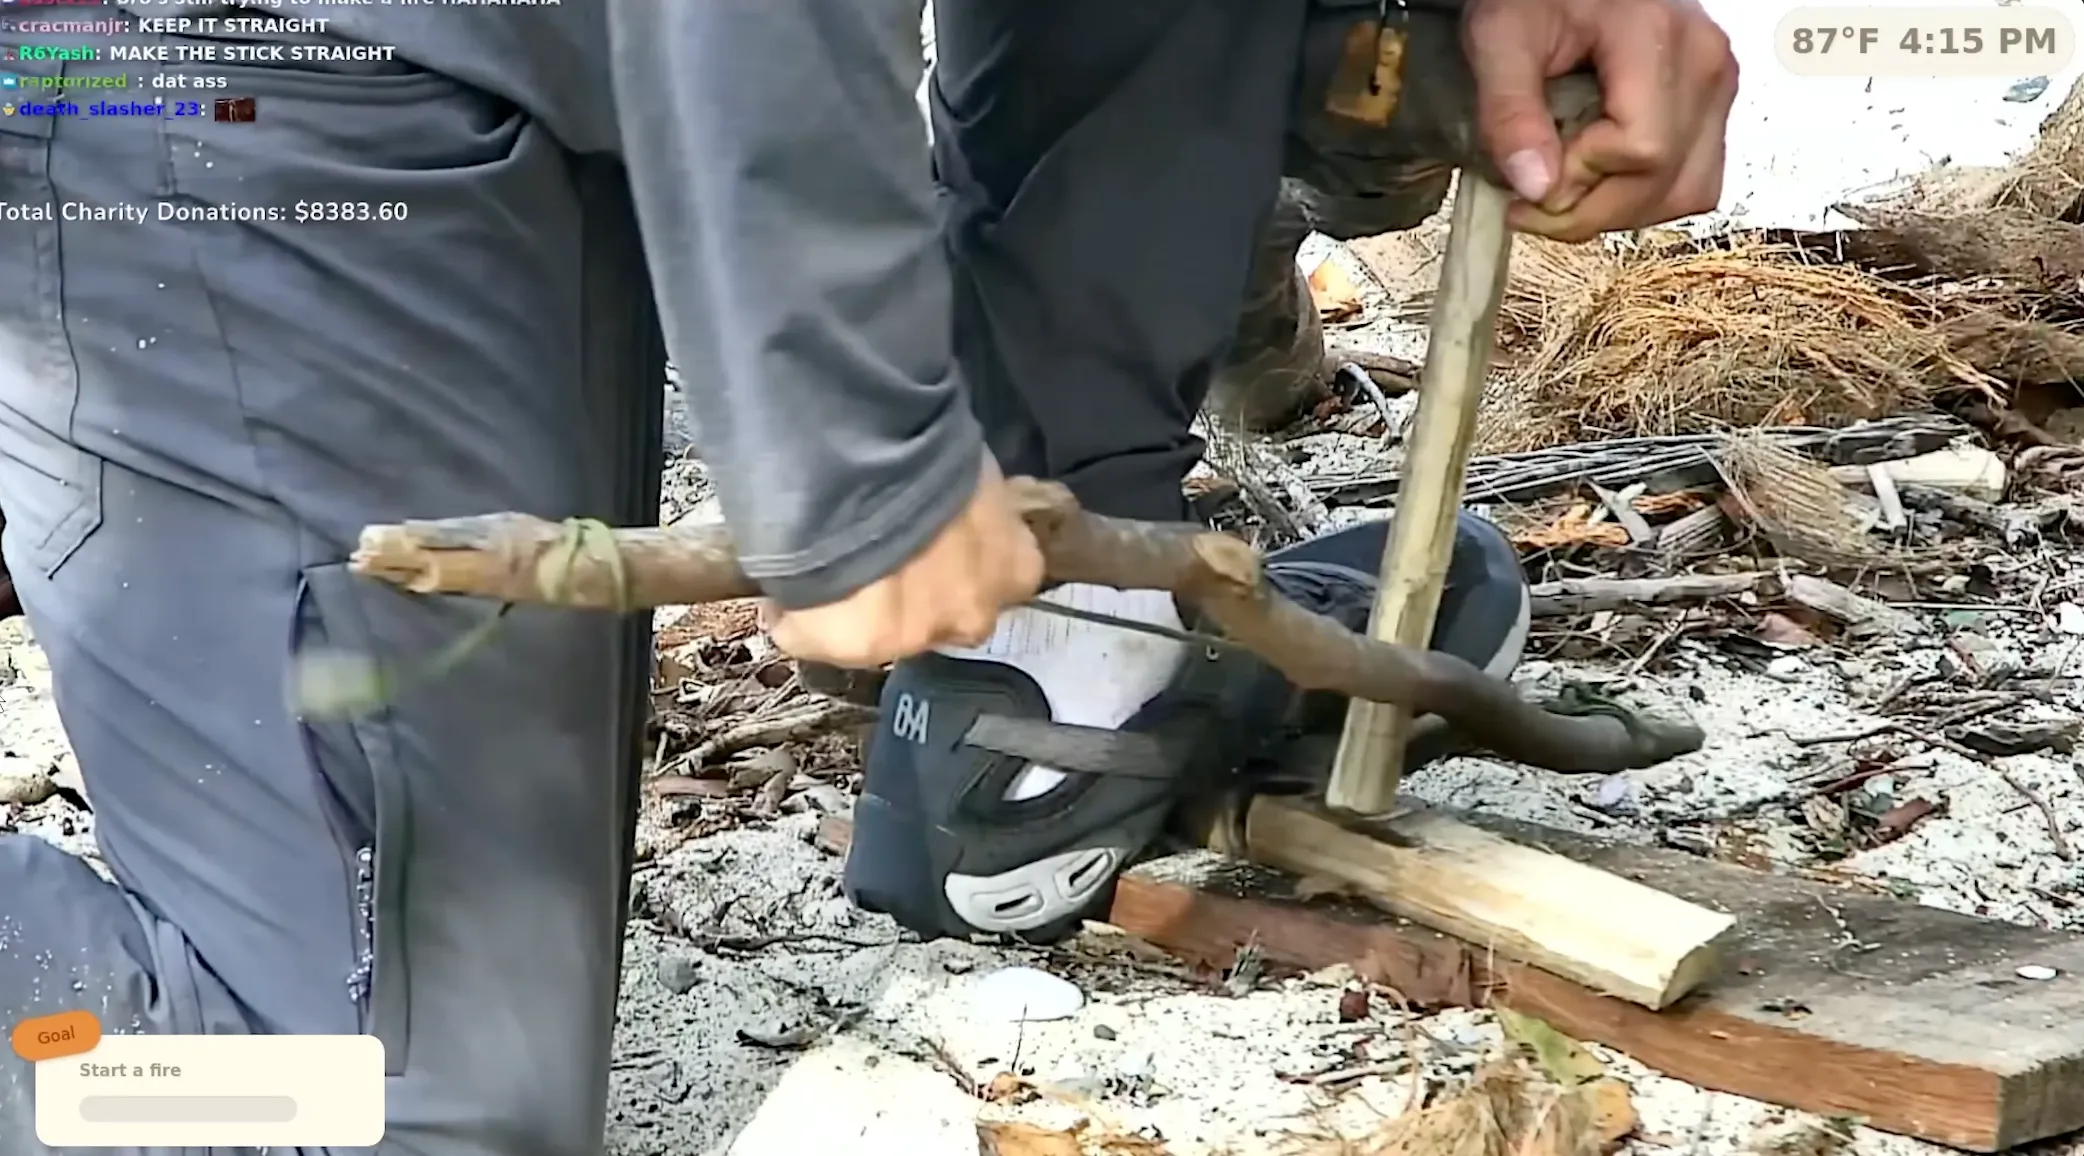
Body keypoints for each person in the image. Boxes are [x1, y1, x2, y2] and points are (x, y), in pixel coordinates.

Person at [0, 1, 1733, 1154]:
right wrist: (855, 456)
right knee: (331, 1107)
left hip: (554, 69)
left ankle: (1072, 661)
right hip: (200, 64)